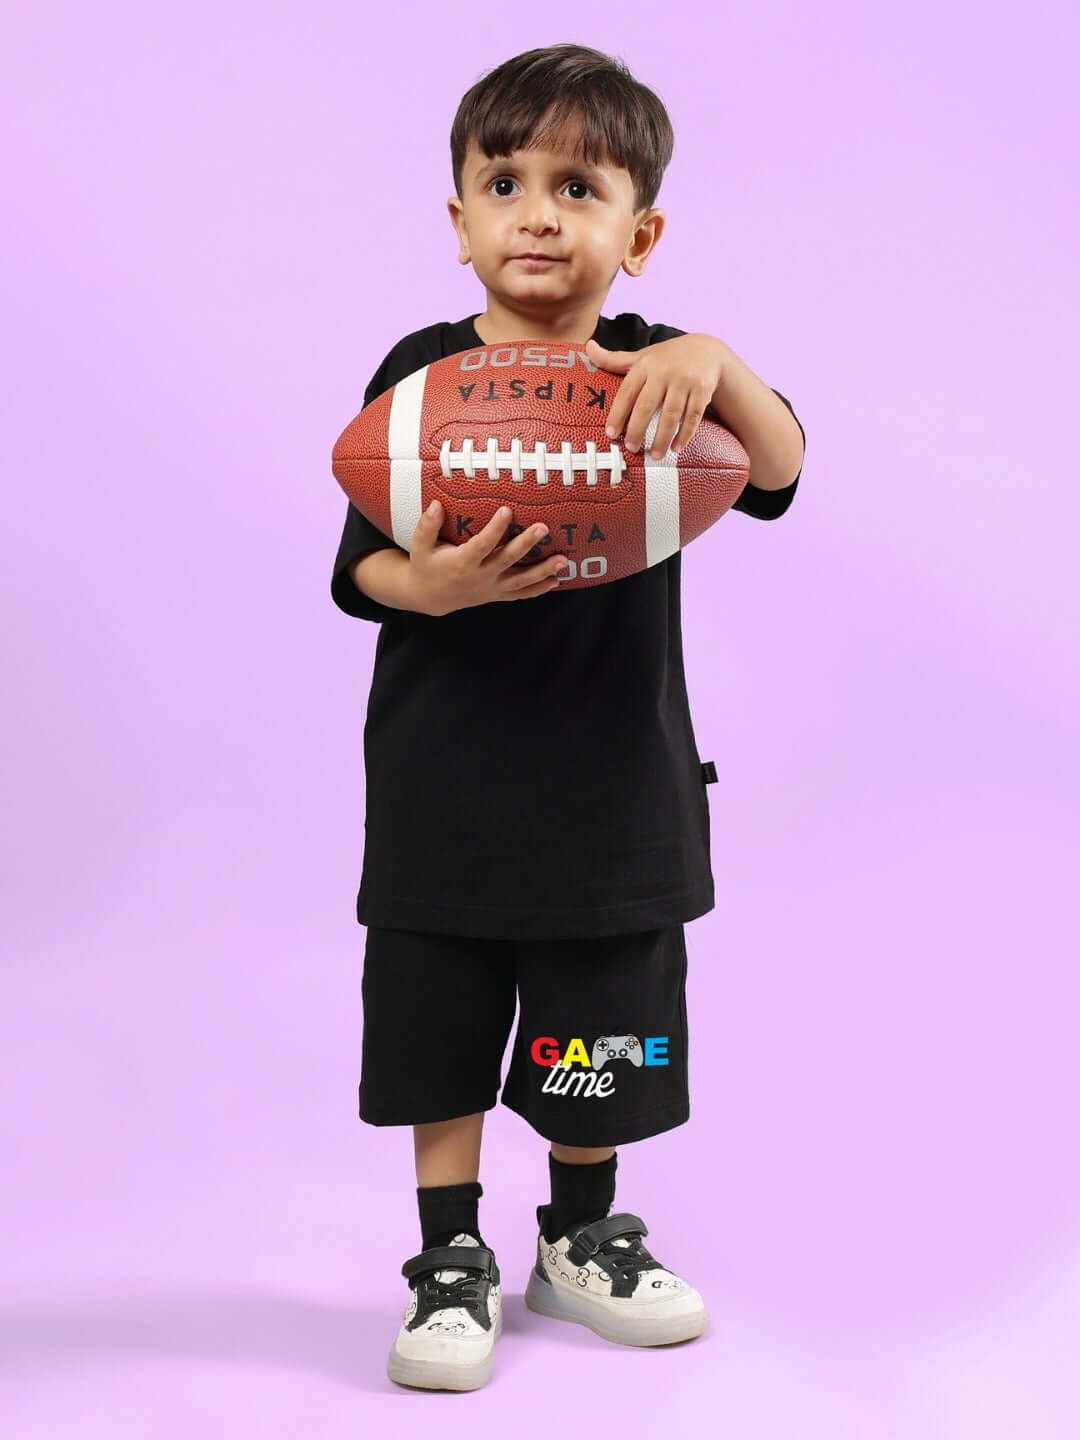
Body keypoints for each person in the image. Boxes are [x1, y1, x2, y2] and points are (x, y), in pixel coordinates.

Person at [329, 44, 806, 1392]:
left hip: (614, 786)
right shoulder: (421, 378)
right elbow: (353, 562)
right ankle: (449, 1255)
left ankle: (580, 1237)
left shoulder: (664, 374)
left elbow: (776, 470)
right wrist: (427, 583)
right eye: (504, 181)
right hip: (443, 780)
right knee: (441, 1026)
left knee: (597, 1029)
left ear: (637, 234)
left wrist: (716, 359)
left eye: (578, 186)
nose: (538, 212)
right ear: (462, 222)